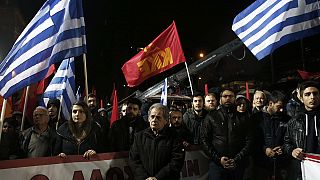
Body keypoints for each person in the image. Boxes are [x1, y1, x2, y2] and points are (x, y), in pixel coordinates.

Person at [201, 88, 252, 180]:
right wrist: (218, 159)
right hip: (217, 165)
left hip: (237, 165)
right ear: (220, 99)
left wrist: (237, 159)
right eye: (225, 96)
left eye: (230, 96)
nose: (228, 98)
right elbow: (204, 139)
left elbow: (249, 140)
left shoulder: (243, 118)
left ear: (235, 98)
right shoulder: (211, 117)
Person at [129, 103, 185, 180]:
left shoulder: (175, 136)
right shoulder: (139, 136)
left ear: (166, 121)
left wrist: (157, 178)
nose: (154, 120)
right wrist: (145, 178)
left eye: (158, 117)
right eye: (152, 116)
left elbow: (176, 161)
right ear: (148, 118)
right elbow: (134, 160)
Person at [283, 80, 320, 179]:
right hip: (302, 168)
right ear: (302, 98)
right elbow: (286, 143)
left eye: (315, 93)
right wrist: (292, 151)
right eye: (307, 94)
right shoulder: (294, 121)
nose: (312, 97)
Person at [253, 90, 291, 180]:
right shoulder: (256, 118)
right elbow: (252, 140)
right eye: (279, 107)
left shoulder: (287, 119)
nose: (281, 110)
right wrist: (264, 149)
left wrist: (283, 148)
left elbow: (291, 139)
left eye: (283, 107)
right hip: (261, 164)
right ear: (270, 104)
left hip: (281, 165)